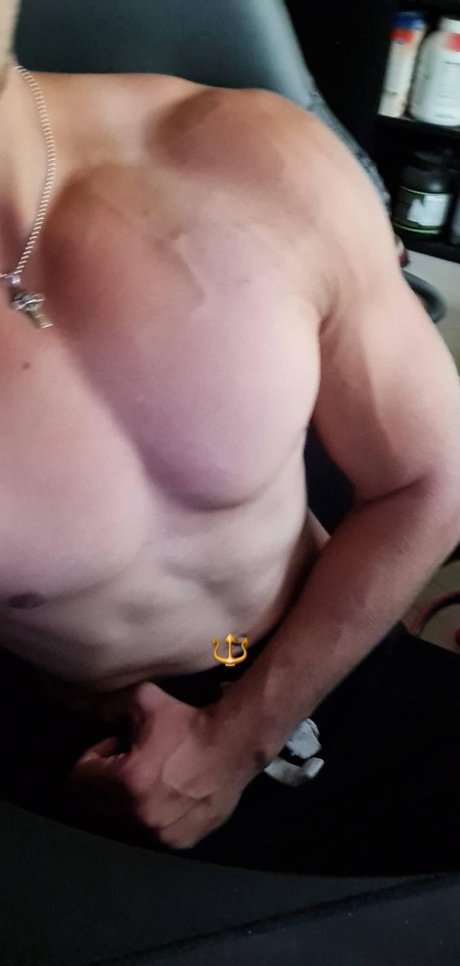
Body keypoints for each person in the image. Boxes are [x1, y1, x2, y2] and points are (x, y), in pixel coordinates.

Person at [1, 0, 460, 875]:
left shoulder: (248, 157)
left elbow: (432, 479)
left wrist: (234, 740)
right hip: (77, 732)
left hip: (307, 643)